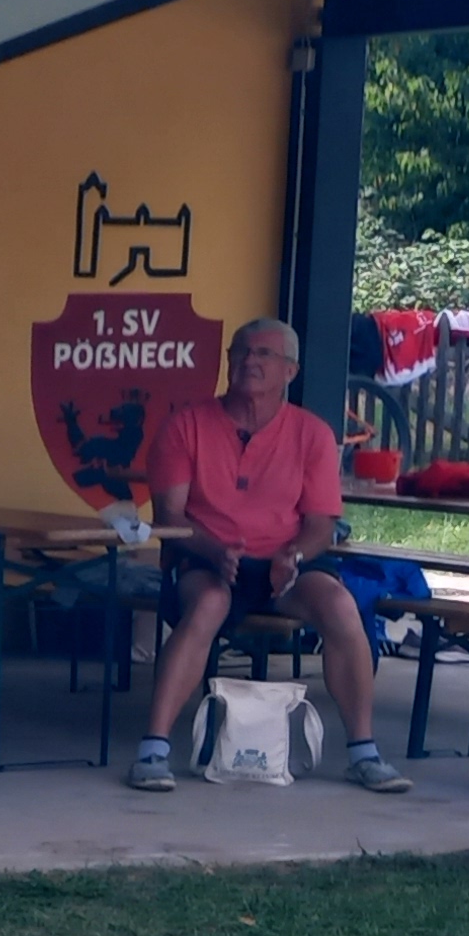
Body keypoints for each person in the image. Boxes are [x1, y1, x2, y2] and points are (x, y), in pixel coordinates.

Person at [133, 319, 409, 793]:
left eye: (264, 354)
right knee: (208, 604)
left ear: (290, 371)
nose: (249, 361)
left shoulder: (312, 433)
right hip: (206, 556)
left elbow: (321, 524)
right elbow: (169, 517)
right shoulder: (186, 425)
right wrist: (214, 550)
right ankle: (153, 751)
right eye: (240, 351)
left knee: (341, 605)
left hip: (286, 562)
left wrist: (294, 556)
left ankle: (364, 753)